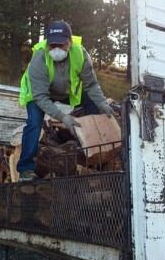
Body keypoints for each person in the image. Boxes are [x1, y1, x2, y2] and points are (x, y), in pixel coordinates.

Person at [17, 20, 114, 181]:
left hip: (65, 91)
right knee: (33, 123)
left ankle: (95, 156)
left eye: (61, 45)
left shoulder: (81, 54)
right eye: (52, 45)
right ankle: (25, 169)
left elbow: (91, 85)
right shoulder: (39, 57)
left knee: (92, 101)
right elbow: (40, 97)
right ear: (47, 43)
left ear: (69, 42)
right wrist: (63, 117)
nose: (56, 49)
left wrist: (102, 103)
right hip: (39, 94)